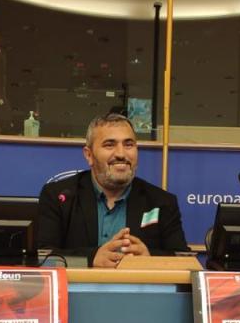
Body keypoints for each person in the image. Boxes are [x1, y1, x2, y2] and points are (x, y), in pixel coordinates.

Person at [36, 112, 189, 267]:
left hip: (139, 290)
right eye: (109, 145)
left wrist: (149, 259)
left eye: (128, 144)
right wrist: (91, 258)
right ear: (89, 155)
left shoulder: (161, 202)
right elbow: (42, 256)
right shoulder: (58, 196)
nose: (121, 154)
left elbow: (183, 260)